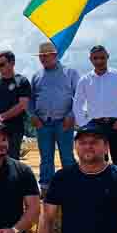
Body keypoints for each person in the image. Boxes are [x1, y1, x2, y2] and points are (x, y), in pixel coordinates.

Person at [75, 45, 117, 166]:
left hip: (116, 125)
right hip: (94, 126)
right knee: (96, 161)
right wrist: (84, 125)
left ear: (107, 57)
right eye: (95, 58)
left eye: (102, 58)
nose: (99, 61)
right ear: (90, 59)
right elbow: (77, 104)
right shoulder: (84, 80)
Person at [29, 42, 79, 195]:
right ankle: (46, 188)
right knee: (46, 157)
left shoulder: (70, 73)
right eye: (41, 56)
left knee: (67, 156)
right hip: (43, 123)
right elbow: (30, 99)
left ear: (55, 56)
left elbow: (79, 97)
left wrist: (71, 116)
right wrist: (33, 115)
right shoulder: (36, 76)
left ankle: (71, 186)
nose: (43, 58)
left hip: (64, 122)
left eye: (46, 55)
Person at [0, 50, 31, 160]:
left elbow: (22, 105)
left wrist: (1, 117)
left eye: (2, 64)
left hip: (13, 129)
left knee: (12, 160)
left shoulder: (22, 81)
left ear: (12, 63)